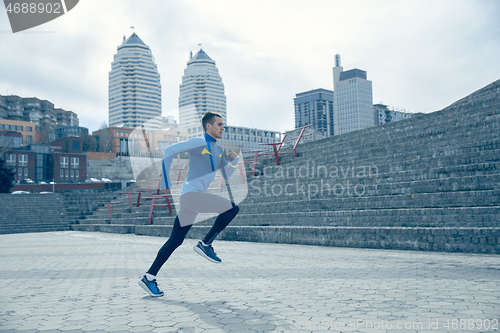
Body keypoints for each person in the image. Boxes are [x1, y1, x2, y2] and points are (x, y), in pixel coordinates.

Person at [138, 111, 240, 297]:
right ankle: (205, 244)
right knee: (232, 208)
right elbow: (169, 151)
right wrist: (164, 183)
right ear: (208, 126)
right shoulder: (199, 142)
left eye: (223, 125)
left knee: (175, 240)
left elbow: (226, 175)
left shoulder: (217, 150)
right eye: (219, 124)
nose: (222, 128)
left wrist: (235, 161)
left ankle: (149, 277)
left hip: (194, 197)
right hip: (191, 195)